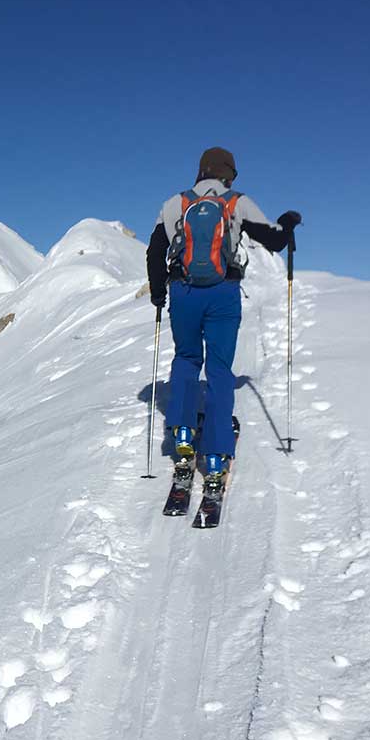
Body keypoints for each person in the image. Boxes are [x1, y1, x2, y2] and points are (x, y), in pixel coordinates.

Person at [145, 146, 301, 490]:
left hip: (183, 293)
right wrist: (289, 221)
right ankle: (215, 456)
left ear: (201, 171)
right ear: (228, 174)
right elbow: (274, 240)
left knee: (186, 358)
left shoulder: (174, 204)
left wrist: (158, 293)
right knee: (218, 370)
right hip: (222, 294)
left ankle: (183, 432)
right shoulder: (236, 202)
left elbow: (155, 251)